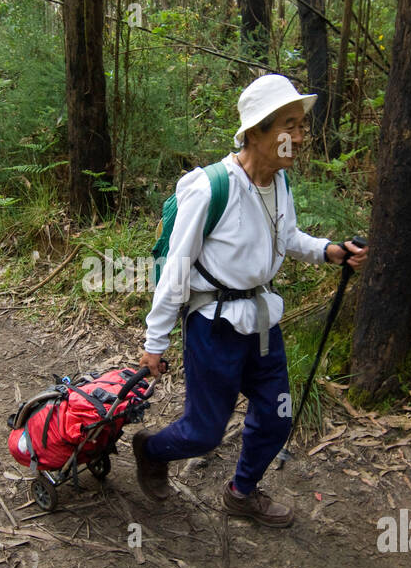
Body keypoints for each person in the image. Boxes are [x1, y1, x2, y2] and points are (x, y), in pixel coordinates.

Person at [133, 74, 367, 527]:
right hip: (214, 326)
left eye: (302, 125)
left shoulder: (278, 182)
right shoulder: (210, 187)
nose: (300, 137)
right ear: (257, 131)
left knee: (278, 415)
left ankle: (242, 492)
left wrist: (328, 251)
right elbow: (177, 268)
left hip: (262, 322)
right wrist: (155, 340)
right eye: (289, 125)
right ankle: (152, 449)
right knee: (203, 433)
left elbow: (288, 235)